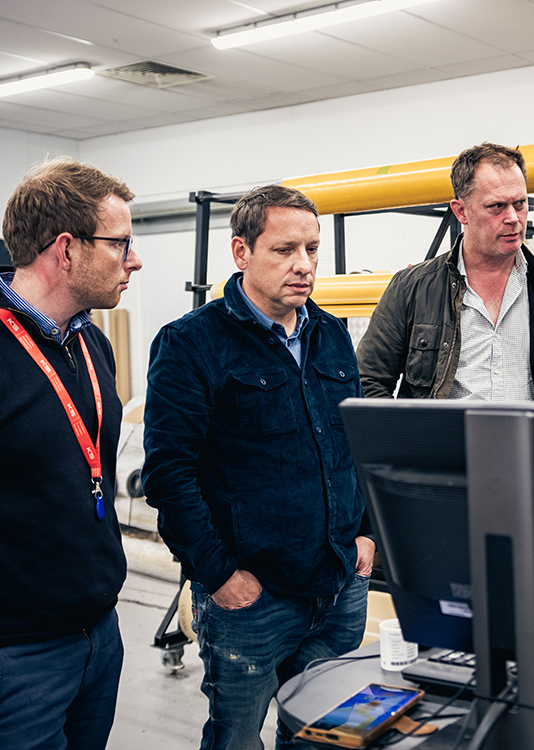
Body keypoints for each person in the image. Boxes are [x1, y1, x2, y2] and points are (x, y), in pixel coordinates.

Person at [142, 185, 374, 750]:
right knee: (236, 739)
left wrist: (366, 534)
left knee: (326, 737)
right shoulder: (192, 344)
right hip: (253, 597)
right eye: (284, 250)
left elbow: (352, 447)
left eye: (313, 250)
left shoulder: (333, 336)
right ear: (241, 253)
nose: (304, 265)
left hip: (339, 585)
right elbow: (170, 474)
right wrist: (219, 577)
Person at [0, 157, 142, 747]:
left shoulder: (92, 343)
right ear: (65, 249)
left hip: (96, 637)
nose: (134, 259)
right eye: (120, 243)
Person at [357, 142, 534, 401]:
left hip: (530, 442)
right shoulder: (411, 289)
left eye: (520, 204)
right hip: (442, 442)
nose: (513, 218)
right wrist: (410, 440)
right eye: (497, 206)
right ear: (461, 211)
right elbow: (368, 380)